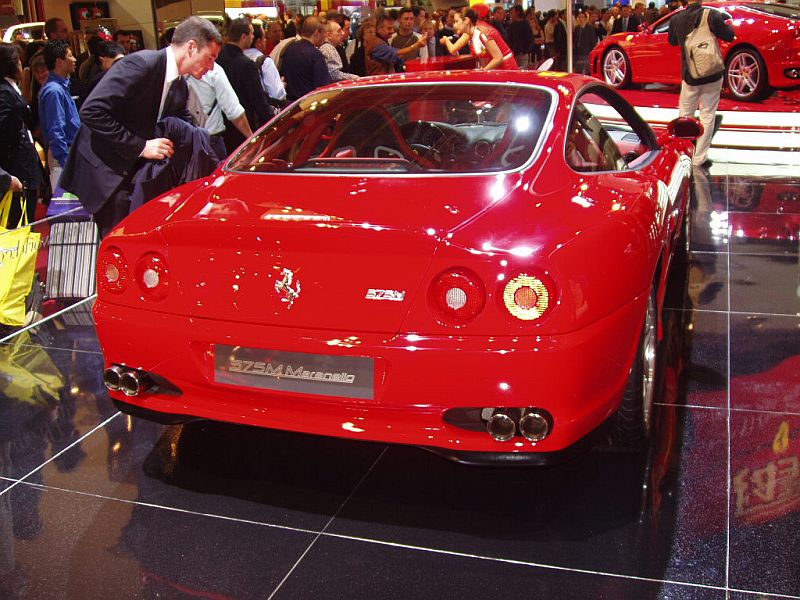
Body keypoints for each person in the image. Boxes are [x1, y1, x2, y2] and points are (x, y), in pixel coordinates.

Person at [59, 16, 223, 236]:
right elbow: (92, 111)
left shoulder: (179, 83)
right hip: (105, 173)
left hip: (134, 175)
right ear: (192, 47)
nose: (212, 67)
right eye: (210, 57)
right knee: (115, 247)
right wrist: (141, 146)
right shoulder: (141, 64)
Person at [668, 0, 734, 168]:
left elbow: (672, 41)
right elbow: (729, 35)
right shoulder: (711, 15)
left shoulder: (677, 18)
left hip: (689, 75)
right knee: (708, 114)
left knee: (685, 116)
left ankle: (685, 154)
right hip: (713, 74)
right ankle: (699, 158)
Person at [0, 43, 43, 226]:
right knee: (17, 226)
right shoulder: (3, 92)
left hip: (24, 165)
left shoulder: (12, 88)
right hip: (14, 169)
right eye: (18, 60)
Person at [217, 18, 274, 154]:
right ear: (244, 36)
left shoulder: (218, 59)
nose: (253, 37)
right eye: (252, 33)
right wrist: (272, 122)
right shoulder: (246, 64)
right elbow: (257, 100)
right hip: (244, 125)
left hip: (222, 126)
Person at [38, 40, 80, 193]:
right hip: (63, 154)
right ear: (59, 62)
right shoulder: (54, 90)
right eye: (70, 56)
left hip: (68, 152)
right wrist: (65, 161)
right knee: (69, 209)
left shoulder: (60, 86)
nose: (74, 59)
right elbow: (56, 130)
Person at [187, 62, 252, 160]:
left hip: (183, 143)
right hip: (211, 142)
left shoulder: (170, 68)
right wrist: (251, 139)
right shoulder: (213, 70)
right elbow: (233, 110)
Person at [440, 8, 519, 70]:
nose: (454, 25)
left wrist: (483, 71)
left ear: (467, 20)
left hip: (506, 69)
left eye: (456, 21)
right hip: (494, 70)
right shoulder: (470, 32)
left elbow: (498, 58)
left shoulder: (483, 32)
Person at [280, 16, 332, 101]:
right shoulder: (316, 55)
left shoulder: (289, 48)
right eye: (324, 33)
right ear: (316, 33)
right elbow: (322, 89)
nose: (325, 37)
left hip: (290, 105)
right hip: (309, 104)